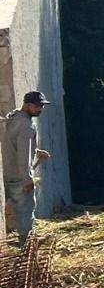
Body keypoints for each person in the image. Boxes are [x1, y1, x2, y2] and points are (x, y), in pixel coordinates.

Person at [3, 91, 51, 247]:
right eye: (38, 106)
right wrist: (28, 179)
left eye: (42, 106)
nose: (41, 109)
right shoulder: (27, 126)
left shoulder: (14, 118)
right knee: (25, 210)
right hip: (19, 176)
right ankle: (27, 244)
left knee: (19, 210)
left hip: (8, 173)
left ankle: (26, 239)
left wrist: (36, 152)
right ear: (28, 105)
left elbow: (16, 145)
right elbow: (23, 156)